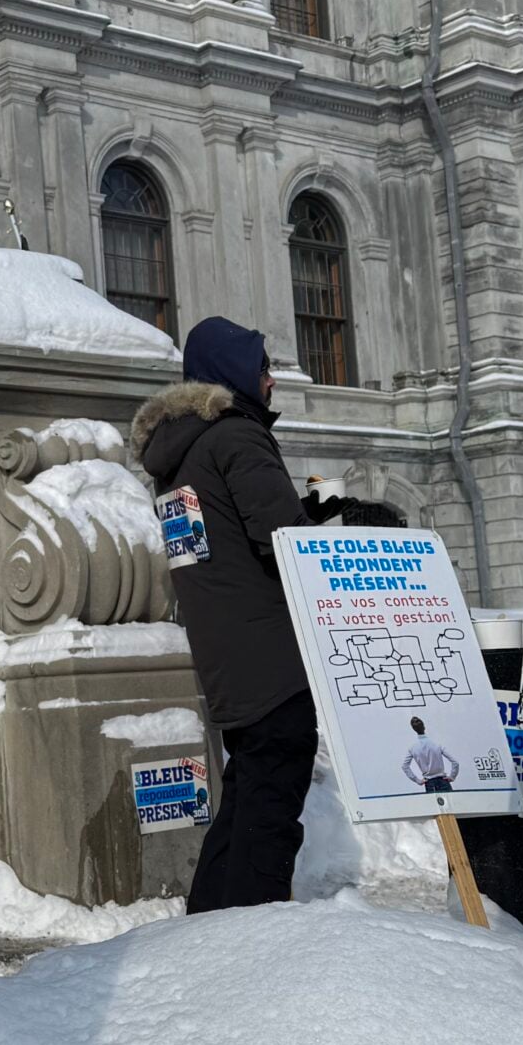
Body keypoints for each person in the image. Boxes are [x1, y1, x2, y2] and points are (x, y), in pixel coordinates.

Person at [134, 317, 318, 910]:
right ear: (235, 374)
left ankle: (210, 931)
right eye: (263, 369)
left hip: (228, 658)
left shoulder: (180, 453)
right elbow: (284, 542)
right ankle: (255, 951)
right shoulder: (236, 436)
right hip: (273, 659)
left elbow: (224, 543)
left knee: (244, 800)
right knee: (268, 816)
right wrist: (339, 524)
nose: (271, 383)